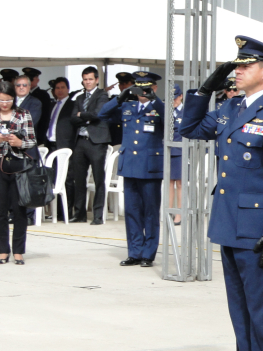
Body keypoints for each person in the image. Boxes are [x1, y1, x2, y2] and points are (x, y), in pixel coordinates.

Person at [180, 36, 263, 351]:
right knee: (239, 311)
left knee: (259, 314)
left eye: (246, 66)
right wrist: (202, 91)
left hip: (258, 229)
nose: (238, 70)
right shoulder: (231, 109)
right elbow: (190, 128)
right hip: (229, 223)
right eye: (237, 65)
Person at [99, 72, 165, 267]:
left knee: (150, 212)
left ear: (154, 88)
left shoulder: (158, 108)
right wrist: (119, 98)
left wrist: (156, 100)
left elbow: (171, 122)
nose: (142, 92)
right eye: (139, 88)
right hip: (130, 165)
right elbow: (102, 114)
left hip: (150, 166)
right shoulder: (128, 106)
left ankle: (148, 254)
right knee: (132, 211)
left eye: (147, 88)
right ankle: (134, 252)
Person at [0, 80, 36, 265]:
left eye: (8, 100)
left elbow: (32, 140)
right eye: (1, 100)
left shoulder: (23, 114)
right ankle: (2, 250)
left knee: (19, 209)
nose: (5, 104)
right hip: (0, 166)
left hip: (19, 165)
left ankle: (19, 251)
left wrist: (19, 143)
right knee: (1, 210)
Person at [70, 66, 112, 224]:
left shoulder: (102, 95)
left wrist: (83, 115)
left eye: (90, 79)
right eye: (85, 79)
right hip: (81, 140)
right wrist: (84, 117)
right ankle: (79, 213)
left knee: (98, 178)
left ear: (96, 80)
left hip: (97, 141)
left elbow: (97, 114)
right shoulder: (80, 98)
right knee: (79, 179)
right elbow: (73, 118)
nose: (87, 82)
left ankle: (97, 215)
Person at [47, 77, 77, 220]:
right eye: (57, 88)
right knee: (52, 178)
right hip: (51, 144)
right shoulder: (52, 104)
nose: (60, 90)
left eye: (62, 87)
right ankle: (54, 212)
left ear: (68, 89)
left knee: (66, 179)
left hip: (65, 145)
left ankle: (65, 212)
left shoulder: (72, 105)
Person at [23, 67, 53, 147]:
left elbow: (45, 117)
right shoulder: (23, 95)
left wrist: (40, 137)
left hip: (37, 134)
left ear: (37, 80)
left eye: (31, 79)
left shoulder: (42, 95)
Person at [107, 72, 136, 146]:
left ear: (133, 84)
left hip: (131, 134)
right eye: (121, 83)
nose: (123, 86)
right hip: (115, 135)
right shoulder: (114, 99)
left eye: (126, 83)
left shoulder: (137, 99)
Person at [169, 83, 184, 226]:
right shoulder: (166, 111)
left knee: (180, 183)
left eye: (175, 97)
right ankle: (169, 212)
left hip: (181, 151)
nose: (173, 101)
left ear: (181, 96)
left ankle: (179, 213)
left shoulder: (185, 112)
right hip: (168, 150)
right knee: (168, 183)